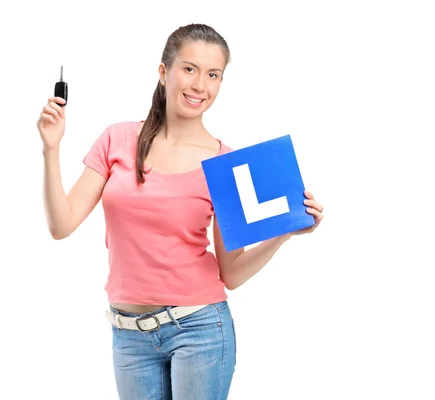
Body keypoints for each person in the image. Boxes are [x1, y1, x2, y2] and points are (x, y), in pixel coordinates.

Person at [36, 23, 324, 400]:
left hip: (200, 330)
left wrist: (285, 231)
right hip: (128, 335)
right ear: (163, 72)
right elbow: (62, 224)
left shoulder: (225, 164)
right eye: (189, 68)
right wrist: (51, 148)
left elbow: (231, 273)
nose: (200, 85)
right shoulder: (117, 139)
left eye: (213, 74)